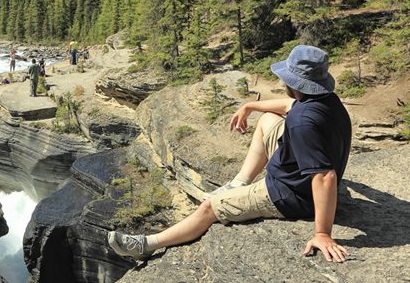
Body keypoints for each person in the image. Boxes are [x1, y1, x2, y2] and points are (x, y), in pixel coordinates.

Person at [108, 45, 352, 264]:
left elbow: (324, 177)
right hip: (294, 171)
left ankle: (148, 245)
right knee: (268, 120)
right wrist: (250, 106)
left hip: (288, 194)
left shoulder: (302, 123)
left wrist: (322, 234)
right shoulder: (325, 100)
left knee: (209, 207)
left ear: (294, 82)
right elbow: (288, 106)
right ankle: (239, 182)